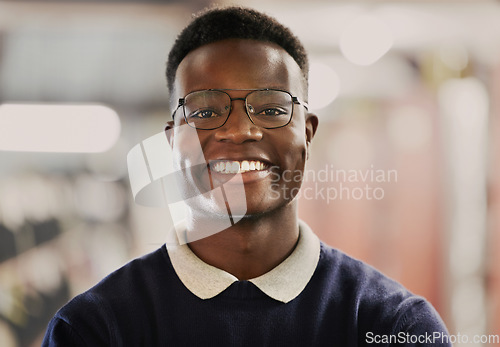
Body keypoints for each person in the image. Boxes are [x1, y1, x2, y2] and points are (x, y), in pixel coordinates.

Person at [43, 6, 451, 346]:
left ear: (307, 134)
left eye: (272, 108)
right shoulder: (93, 331)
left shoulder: (396, 326)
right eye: (204, 110)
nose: (240, 130)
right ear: (172, 141)